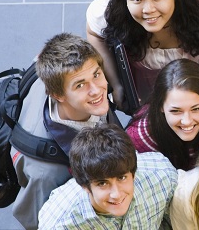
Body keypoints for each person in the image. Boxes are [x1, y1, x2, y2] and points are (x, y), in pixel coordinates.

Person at [10, 33, 122, 229]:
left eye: (97, 74)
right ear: (57, 95)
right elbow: (37, 221)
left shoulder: (65, 69)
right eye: (80, 85)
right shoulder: (46, 174)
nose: (97, 90)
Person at [38, 125, 178, 229]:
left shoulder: (163, 176)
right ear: (85, 186)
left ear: (133, 174)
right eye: (102, 183)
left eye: (122, 178)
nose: (116, 194)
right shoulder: (60, 224)